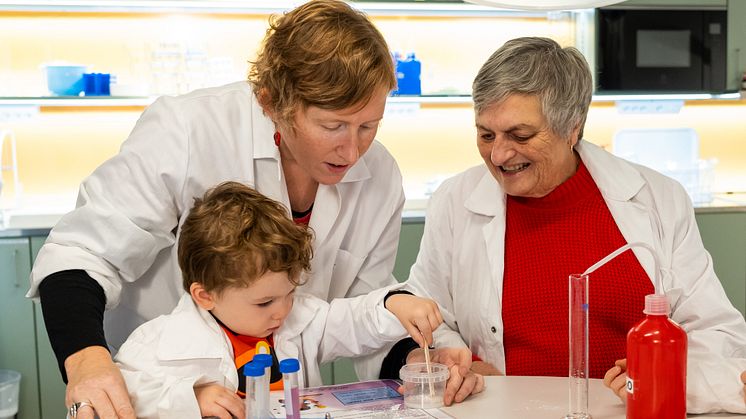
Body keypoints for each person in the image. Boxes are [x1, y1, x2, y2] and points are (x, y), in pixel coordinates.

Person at [27, 1, 406, 417]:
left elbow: (365, 309)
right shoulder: (188, 130)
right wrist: (87, 362)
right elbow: (82, 253)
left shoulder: (381, 176)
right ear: (271, 102)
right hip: (164, 395)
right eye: (333, 126)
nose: (353, 150)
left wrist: (416, 360)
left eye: (369, 126)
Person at [394, 36, 746, 413]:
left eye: (521, 135)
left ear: (572, 127)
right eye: (485, 134)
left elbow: (717, 333)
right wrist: (452, 358)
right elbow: (428, 317)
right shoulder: (455, 201)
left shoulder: (658, 199)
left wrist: (662, 373)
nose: (498, 154)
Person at [114, 182, 443, 419]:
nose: (283, 310)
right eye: (264, 302)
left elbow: (352, 320)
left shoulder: (298, 319)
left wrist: (392, 305)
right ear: (205, 295)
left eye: (289, 293)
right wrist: (191, 399)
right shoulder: (157, 342)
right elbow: (118, 399)